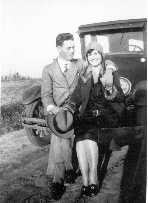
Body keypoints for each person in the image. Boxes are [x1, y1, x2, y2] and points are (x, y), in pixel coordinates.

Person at [41, 34, 117, 200]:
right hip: (60, 111)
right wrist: (52, 107)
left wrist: (110, 70)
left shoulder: (79, 64)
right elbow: (45, 95)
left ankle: (61, 176)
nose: (73, 50)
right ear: (59, 49)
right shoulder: (48, 69)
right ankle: (60, 177)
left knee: (70, 133)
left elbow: (99, 59)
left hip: (80, 110)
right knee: (60, 132)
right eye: (69, 48)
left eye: (74, 47)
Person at [63, 41, 125, 199]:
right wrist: (69, 106)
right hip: (87, 114)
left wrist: (110, 89)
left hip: (105, 114)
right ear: (87, 57)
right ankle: (85, 180)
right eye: (90, 54)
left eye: (96, 53)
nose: (93, 57)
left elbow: (120, 97)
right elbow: (76, 96)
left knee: (89, 138)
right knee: (80, 140)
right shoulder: (85, 75)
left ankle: (93, 178)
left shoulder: (109, 72)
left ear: (101, 55)